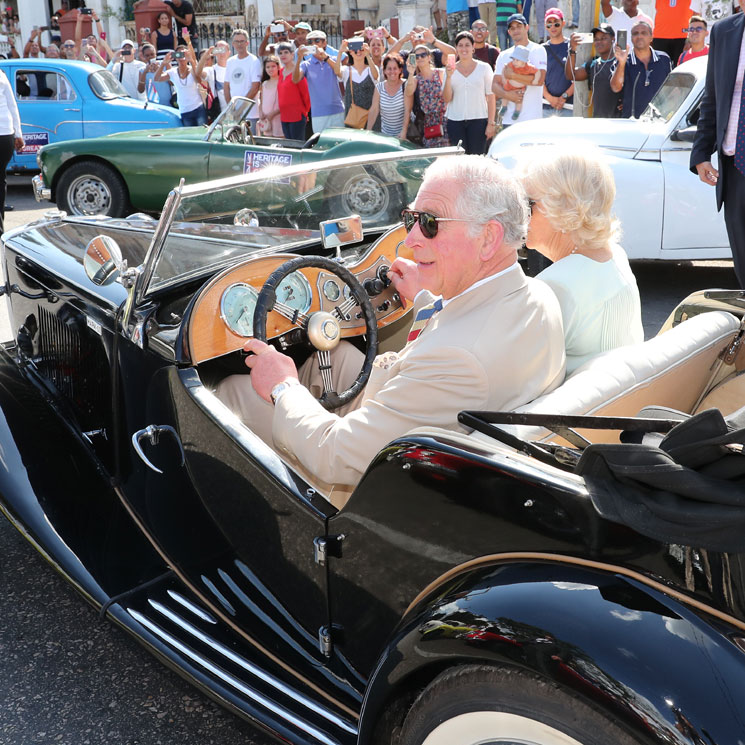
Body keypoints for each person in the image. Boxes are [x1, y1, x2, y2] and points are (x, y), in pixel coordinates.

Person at [216, 155, 566, 491]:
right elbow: (464, 322)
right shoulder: (536, 296)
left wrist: (283, 387)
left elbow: (335, 456)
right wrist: (425, 296)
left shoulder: (458, 359)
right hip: (424, 430)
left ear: (488, 238)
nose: (412, 241)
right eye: (410, 219)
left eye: (430, 223)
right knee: (334, 358)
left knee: (233, 390)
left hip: (362, 482)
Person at [520, 146, 643, 374]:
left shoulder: (554, 286)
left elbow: (521, 376)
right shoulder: (614, 255)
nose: (519, 214)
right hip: (616, 397)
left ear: (564, 208)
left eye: (527, 204)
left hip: (579, 406)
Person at [690, 10, 745, 288]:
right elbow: (712, 95)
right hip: (734, 164)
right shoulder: (724, 32)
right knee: (742, 259)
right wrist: (701, 152)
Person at [443, 31, 496, 153]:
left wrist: (491, 123)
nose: (464, 48)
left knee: (477, 158)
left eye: (467, 45)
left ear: (473, 48)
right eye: (460, 45)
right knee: (460, 159)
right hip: (455, 121)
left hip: (479, 120)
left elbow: (491, 96)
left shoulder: (484, 68)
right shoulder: (449, 70)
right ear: (456, 48)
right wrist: (449, 77)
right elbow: (446, 99)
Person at [493, 14, 547, 126]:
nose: (515, 30)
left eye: (519, 26)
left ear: (526, 27)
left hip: (532, 120)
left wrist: (512, 76)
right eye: (512, 28)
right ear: (509, 32)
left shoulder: (538, 50)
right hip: (508, 121)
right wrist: (507, 95)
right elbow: (494, 85)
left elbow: (540, 80)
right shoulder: (503, 55)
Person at [610, 21, 672, 118]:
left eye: (644, 33)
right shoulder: (623, 60)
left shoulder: (664, 59)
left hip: (660, 121)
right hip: (632, 121)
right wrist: (622, 62)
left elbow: (670, 89)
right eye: (635, 33)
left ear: (651, 37)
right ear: (631, 38)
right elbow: (615, 87)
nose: (639, 36)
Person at [565, 24, 622, 118]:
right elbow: (571, 75)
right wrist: (572, 49)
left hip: (620, 121)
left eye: (603, 38)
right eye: (596, 39)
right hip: (598, 121)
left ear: (613, 39)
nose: (599, 42)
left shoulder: (622, 62)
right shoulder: (593, 64)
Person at [292, 31, 345, 133]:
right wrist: (298, 59)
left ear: (324, 43)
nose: (313, 44)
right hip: (318, 114)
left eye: (317, 40)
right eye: (310, 42)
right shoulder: (305, 64)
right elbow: (295, 80)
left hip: (337, 110)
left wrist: (325, 57)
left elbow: (339, 73)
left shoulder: (333, 59)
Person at [404, 45, 450, 147]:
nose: (420, 58)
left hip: (446, 121)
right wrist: (410, 73)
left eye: (423, 55)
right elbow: (408, 92)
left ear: (429, 57)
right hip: (428, 124)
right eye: (416, 56)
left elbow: (453, 52)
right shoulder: (415, 79)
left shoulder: (441, 73)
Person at [155, 45, 207, 126]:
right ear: (175, 57)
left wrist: (192, 60)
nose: (182, 57)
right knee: (190, 136)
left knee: (202, 134)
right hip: (185, 111)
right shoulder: (173, 72)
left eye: (184, 54)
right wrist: (163, 64)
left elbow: (198, 80)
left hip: (198, 108)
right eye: (179, 54)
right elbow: (157, 79)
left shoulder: (192, 69)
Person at [333, 39, 378, 128]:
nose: (358, 52)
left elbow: (376, 76)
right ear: (350, 52)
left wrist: (368, 55)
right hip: (352, 118)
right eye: (355, 50)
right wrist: (340, 52)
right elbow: (337, 72)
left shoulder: (371, 68)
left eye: (361, 49)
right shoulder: (346, 70)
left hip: (371, 117)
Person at [0, 68, 23, 234]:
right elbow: (12, 105)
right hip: (5, 134)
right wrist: (18, 134)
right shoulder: (1, 75)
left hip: (5, 133)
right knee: (1, 180)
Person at [542, 8, 574, 117]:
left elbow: (578, 76)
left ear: (563, 23)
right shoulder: (542, 49)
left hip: (569, 107)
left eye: (556, 24)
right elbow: (538, 77)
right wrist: (549, 98)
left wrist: (564, 96)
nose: (552, 27)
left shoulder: (572, 46)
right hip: (546, 106)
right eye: (549, 24)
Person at [275, 42, 310, 139]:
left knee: (297, 146)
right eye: (280, 53)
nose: (283, 55)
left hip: (297, 115)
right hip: (284, 116)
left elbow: (306, 94)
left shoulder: (298, 71)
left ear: (292, 54)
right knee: (289, 146)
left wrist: (304, 112)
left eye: (286, 52)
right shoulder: (281, 71)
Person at [367, 53, 408, 137]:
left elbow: (408, 111)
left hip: (404, 135)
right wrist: (368, 131)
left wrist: (403, 133)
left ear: (400, 70)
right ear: (384, 70)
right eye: (389, 68)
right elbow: (374, 110)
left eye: (395, 68)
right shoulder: (379, 87)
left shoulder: (406, 85)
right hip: (386, 135)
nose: (392, 71)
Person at [500, 46, 540, 120]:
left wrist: (536, 80)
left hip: (520, 87)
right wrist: (503, 79)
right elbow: (504, 69)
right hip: (509, 84)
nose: (514, 62)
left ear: (524, 61)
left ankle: (517, 112)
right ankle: (504, 107)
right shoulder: (511, 65)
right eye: (513, 59)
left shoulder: (529, 67)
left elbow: (537, 72)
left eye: (517, 60)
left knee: (519, 100)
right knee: (505, 96)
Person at [653, 0, 692, 65]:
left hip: (682, 36)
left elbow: (696, 13)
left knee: (681, 69)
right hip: (660, 35)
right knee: (661, 68)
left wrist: (690, 37)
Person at [257, 55, 283, 136]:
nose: (270, 69)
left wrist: (273, 114)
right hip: (266, 120)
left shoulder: (282, 82)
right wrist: (261, 112)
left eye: (273, 66)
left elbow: (284, 102)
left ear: (278, 67)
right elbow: (261, 101)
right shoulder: (264, 84)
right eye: (268, 67)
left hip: (278, 118)